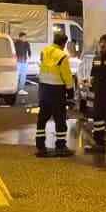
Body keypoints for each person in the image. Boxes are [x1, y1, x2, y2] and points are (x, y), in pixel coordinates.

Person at [34, 29, 76, 157]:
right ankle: (61, 146)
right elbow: (67, 76)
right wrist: (70, 93)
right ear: (64, 43)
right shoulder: (62, 56)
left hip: (44, 89)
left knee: (42, 118)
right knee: (60, 119)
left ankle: (40, 146)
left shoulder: (44, 51)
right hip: (57, 90)